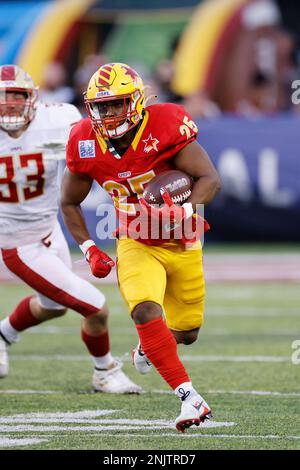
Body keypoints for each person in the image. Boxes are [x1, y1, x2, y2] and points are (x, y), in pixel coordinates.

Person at [61, 62, 221, 432]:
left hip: (182, 240)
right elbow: (69, 202)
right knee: (145, 312)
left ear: (135, 101)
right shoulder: (84, 140)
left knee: (187, 333)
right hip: (134, 240)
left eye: (116, 104)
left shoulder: (164, 124)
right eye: (101, 106)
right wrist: (87, 247)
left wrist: (182, 211)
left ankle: (147, 349)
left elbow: (209, 178)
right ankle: (190, 399)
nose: (109, 113)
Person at [0, 64, 141, 395]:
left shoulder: (59, 120)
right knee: (94, 305)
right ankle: (105, 370)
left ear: (32, 99)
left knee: (52, 305)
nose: (9, 105)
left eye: (16, 97)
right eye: (2, 99)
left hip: (50, 229)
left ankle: (3, 334)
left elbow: (93, 145)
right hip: (16, 243)